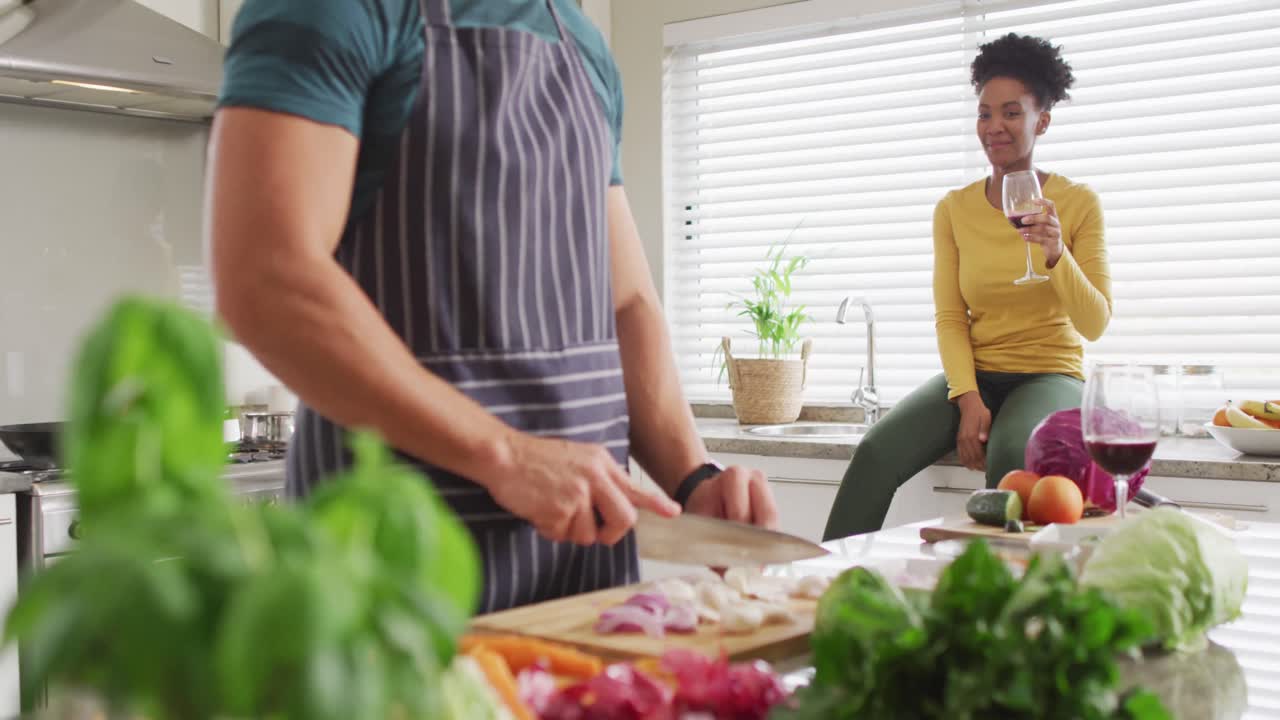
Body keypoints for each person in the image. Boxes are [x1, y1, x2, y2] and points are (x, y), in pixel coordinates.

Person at [206, 0, 779, 613]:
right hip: (391, 594)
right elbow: (266, 275)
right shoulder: (338, 11)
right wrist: (507, 456)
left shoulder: (582, 46)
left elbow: (627, 302)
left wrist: (693, 481)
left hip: (582, 592)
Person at [823, 33, 1112, 540]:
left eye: (1011, 113)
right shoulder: (953, 209)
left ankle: (1000, 608)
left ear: (1041, 120)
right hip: (977, 371)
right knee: (874, 453)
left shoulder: (1079, 202)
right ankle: (822, 588)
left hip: (1049, 372)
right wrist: (968, 397)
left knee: (1008, 460)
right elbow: (952, 316)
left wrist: (1055, 254)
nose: (994, 127)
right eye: (984, 114)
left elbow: (1095, 324)